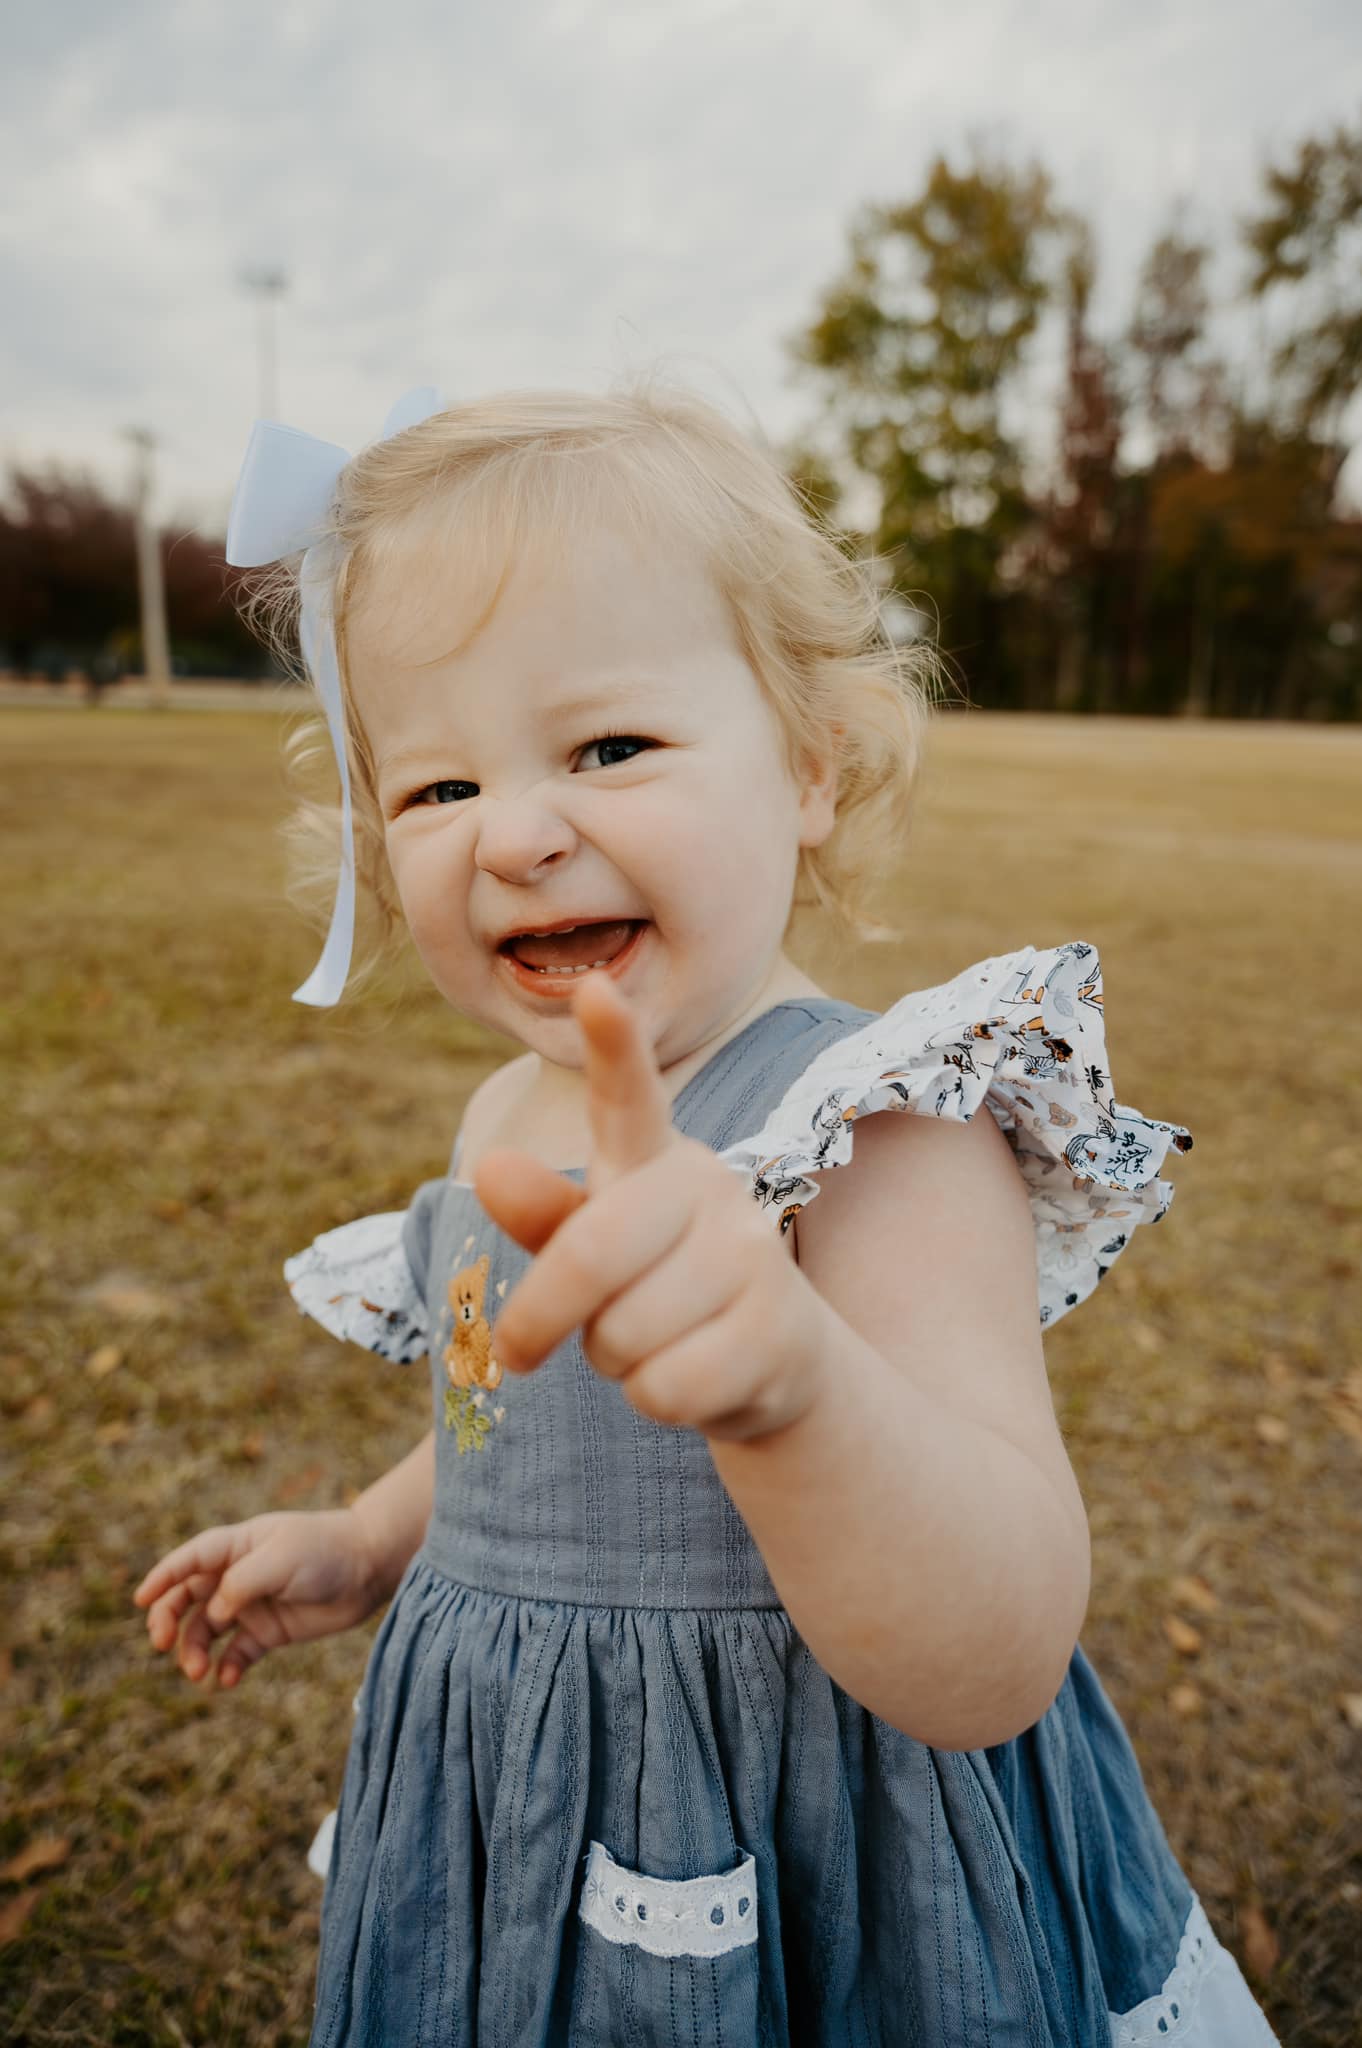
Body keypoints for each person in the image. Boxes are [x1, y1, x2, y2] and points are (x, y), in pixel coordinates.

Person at [133, 382, 1280, 2047]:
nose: (517, 834)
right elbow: (491, 1413)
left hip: (804, 1828)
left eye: (607, 748)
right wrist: (374, 1538)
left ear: (811, 768)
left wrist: (790, 1388)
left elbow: (997, 1653)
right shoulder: (493, 1125)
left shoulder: (873, 1132)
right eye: (436, 787)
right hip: (512, 1790)